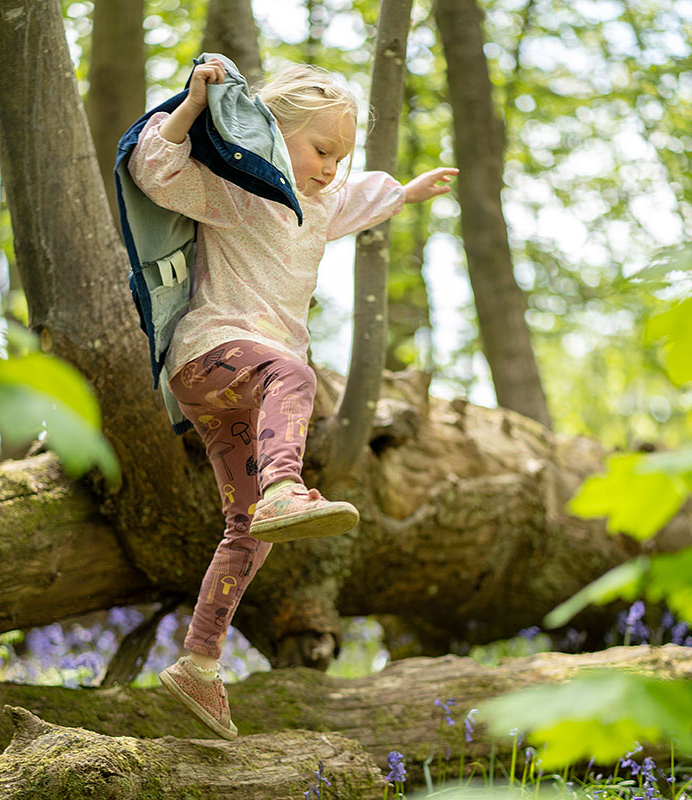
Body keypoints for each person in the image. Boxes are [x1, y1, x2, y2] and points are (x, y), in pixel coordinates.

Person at [128, 56, 458, 740]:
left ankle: (197, 663)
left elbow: (359, 195)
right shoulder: (236, 192)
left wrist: (408, 191)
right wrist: (192, 106)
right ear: (272, 133)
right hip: (211, 355)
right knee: (296, 374)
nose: (331, 167)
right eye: (320, 150)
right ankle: (285, 486)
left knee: (248, 530)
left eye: (341, 154)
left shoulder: (324, 200)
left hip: (237, 389)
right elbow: (152, 170)